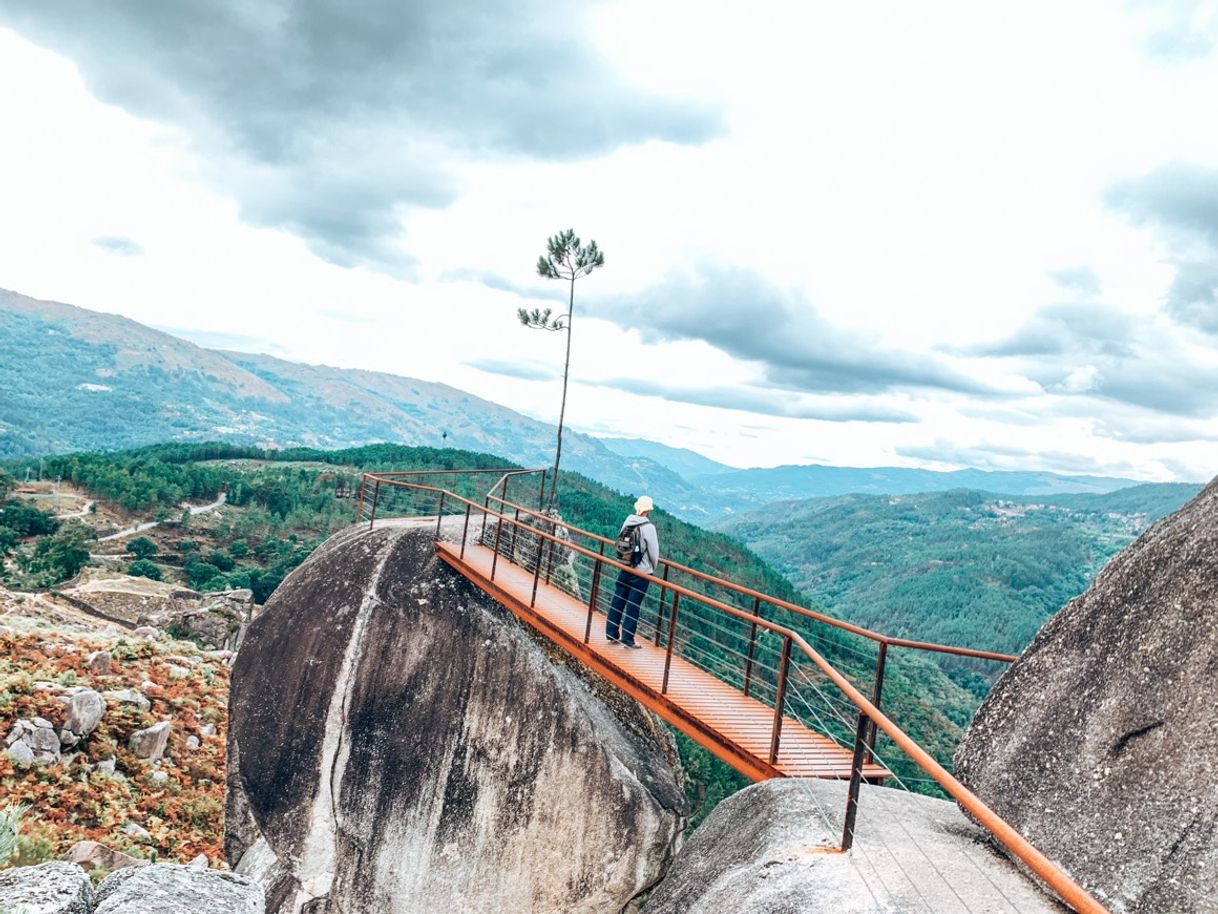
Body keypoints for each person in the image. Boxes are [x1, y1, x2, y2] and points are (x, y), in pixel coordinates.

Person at [606, 495, 659, 648]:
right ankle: (627, 639)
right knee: (633, 605)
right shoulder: (649, 528)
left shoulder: (628, 521)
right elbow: (654, 554)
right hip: (641, 573)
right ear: (648, 510)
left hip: (625, 567)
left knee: (618, 600)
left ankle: (611, 633)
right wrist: (651, 568)